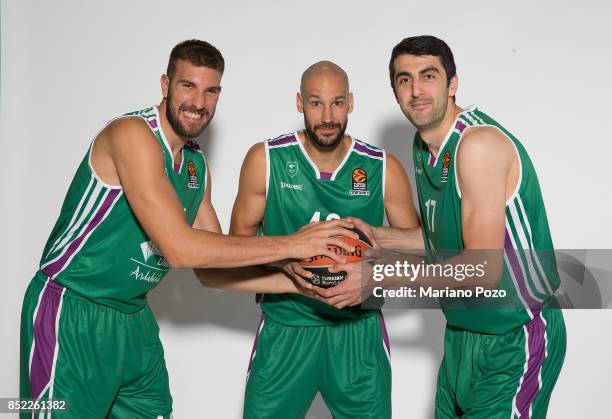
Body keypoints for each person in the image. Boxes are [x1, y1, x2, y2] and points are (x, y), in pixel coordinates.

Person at [19, 40, 355, 418]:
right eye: (187, 86)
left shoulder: (195, 166)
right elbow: (180, 248)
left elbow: (213, 270)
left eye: (210, 90)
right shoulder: (132, 135)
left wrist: (304, 283)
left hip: (133, 319)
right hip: (73, 308)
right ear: (165, 85)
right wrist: (292, 246)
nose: (199, 101)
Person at [314, 36, 567, 418]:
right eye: (404, 79)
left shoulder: (476, 145)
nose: (416, 90)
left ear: (453, 84)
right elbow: (441, 240)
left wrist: (377, 276)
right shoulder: (424, 147)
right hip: (463, 333)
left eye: (428, 76)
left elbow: (482, 268)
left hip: (516, 333)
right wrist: (372, 235)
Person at [199, 61, 419, 419]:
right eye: (316, 103)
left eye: (336, 103)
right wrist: (288, 256)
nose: (327, 115)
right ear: (300, 103)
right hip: (286, 328)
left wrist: (372, 275)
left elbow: (418, 257)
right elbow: (235, 251)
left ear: (351, 102)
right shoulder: (265, 160)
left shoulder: (383, 168)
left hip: (358, 334)